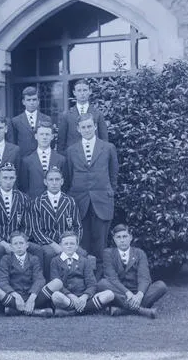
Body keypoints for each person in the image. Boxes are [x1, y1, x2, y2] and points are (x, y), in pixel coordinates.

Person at [66, 112, 119, 272]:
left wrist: (108, 192)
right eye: (83, 127)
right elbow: (69, 175)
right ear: (78, 129)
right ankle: (84, 277)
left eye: (90, 126)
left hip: (102, 200)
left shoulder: (108, 148)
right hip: (80, 201)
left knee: (101, 242)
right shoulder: (71, 150)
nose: (87, 129)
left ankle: (102, 279)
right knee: (82, 242)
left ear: (95, 127)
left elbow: (113, 174)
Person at [97, 224, 167, 319]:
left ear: (130, 237)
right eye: (118, 237)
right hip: (119, 292)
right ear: (114, 239)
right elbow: (112, 278)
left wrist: (139, 295)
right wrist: (127, 293)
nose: (122, 240)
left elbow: (144, 277)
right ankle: (142, 310)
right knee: (102, 284)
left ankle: (121, 310)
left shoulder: (139, 253)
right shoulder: (108, 253)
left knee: (161, 286)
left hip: (137, 290)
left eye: (125, 236)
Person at [26, 165, 84, 281]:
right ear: (45, 182)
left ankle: (75, 283)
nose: (54, 183)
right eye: (51, 180)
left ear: (62, 181)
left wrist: (72, 243)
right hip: (48, 242)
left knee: (82, 253)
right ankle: (50, 284)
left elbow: (77, 226)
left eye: (57, 180)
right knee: (49, 254)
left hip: (67, 241)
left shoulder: (70, 201)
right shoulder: (37, 202)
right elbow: (36, 230)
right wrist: (54, 245)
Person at [0, 163, 32, 281]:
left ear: (15, 178)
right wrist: (4, 243)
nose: (8, 181)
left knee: (36, 249)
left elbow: (28, 226)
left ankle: (30, 282)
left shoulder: (23, 198)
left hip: (18, 240)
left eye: (11, 178)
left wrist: (19, 243)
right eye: (5, 178)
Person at [0, 230, 56, 317]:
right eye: (15, 244)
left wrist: (31, 298)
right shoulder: (6, 259)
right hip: (14, 298)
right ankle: (35, 312)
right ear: (11, 247)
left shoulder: (34, 259)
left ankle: (16, 310)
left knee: (57, 282)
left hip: (32, 296)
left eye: (21, 243)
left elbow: (39, 279)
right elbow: (2, 281)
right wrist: (16, 296)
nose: (19, 246)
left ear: (27, 245)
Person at [46, 231, 114, 317]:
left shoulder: (84, 261)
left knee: (110, 294)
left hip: (84, 297)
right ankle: (86, 309)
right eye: (66, 244)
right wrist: (71, 296)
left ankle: (72, 311)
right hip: (67, 297)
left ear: (77, 246)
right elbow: (55, 282)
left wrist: (84, 297)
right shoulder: (55, 261)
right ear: (61, 246)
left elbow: (92, 283)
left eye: (72, 243)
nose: (69, 246)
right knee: (56, 296)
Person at [56, 79, 109, 153]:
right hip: (73, 158)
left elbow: (104, 140)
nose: (82, 93)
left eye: (85, 90)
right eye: (79, 90)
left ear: (89, 91)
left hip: (94, 156)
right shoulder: (66, 115)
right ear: (74, 92)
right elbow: (61, 143)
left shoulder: (98, 114)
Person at [19, 121, 67, 200]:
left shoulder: (61, 160)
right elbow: (24, 186)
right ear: (36, 136)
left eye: (47, 134)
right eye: (41, 134)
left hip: (56, 203)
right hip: (34, 203)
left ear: (52, 136)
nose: (44, 137)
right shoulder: (27, 161)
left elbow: (65, 185)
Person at [10, 86, 52, 157]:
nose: (31, 103)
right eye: (28, 100)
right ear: (23, 102)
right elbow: (13, 143)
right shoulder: (15, 121)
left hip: (42, 157)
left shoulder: (46, 119)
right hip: (23, 158)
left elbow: (50, 140)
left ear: (38, 101)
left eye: (34, 99)